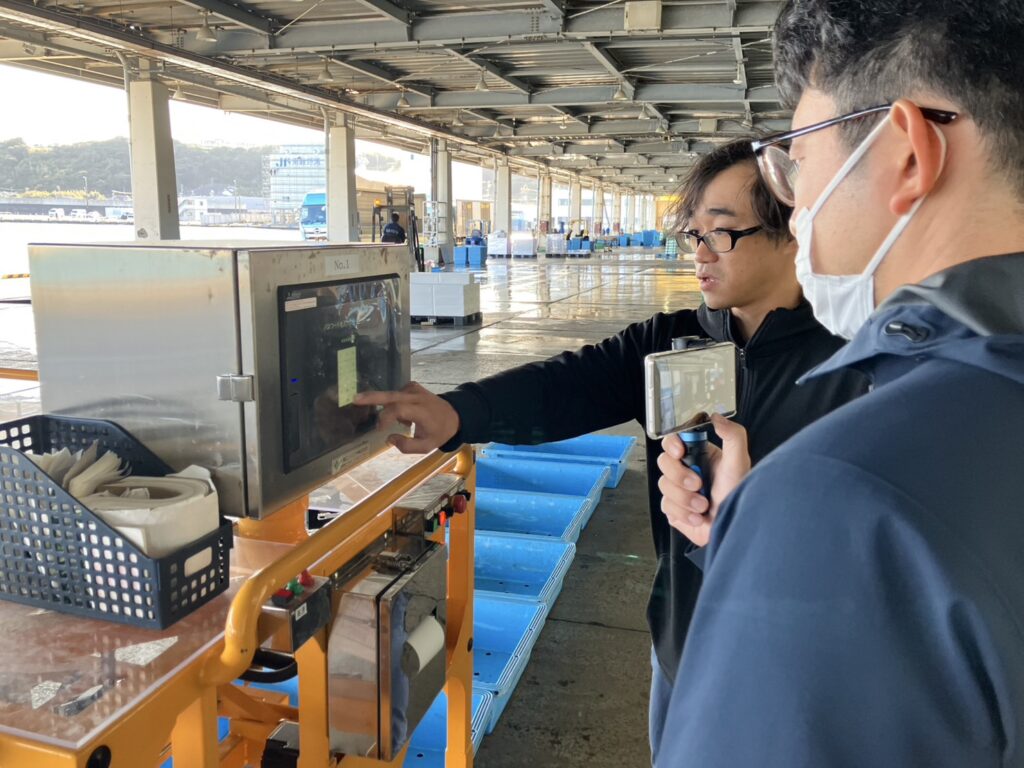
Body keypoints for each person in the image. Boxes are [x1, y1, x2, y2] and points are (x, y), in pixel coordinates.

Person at [355, 138, 866, 762]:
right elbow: (566, 385)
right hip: (682, 641)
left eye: (721, 232)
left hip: (802, 669)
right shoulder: (671, 340)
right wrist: (459, 413)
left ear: (792, 233)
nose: (700, 253)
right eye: (694, 234)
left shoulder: (856, 365)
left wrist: (754, 512)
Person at [655, 2, 1024, 766]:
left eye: (797, 161)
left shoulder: (838, 495)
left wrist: (768, 537)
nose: (796, 207)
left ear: (908, 154)